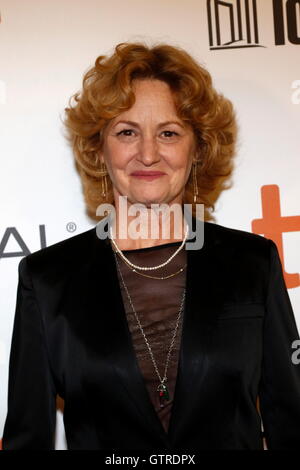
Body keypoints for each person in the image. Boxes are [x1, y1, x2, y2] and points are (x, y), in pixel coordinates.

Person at [2, 42, 300, 451]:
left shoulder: (252, 264)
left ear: (197, 149)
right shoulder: (48, 279)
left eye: (168, 133)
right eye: (127, 132)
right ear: (99, 148)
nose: (147, 153)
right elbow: (27, 439)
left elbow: (292, 423)